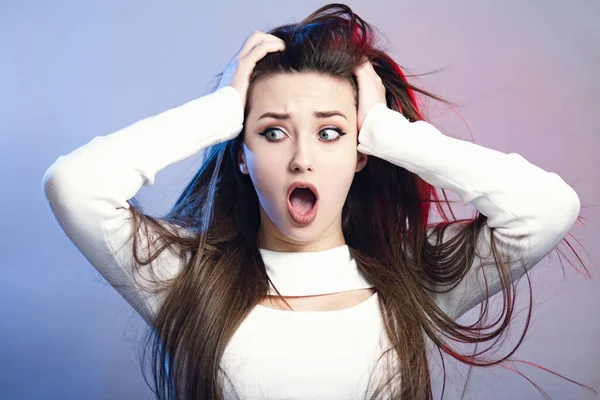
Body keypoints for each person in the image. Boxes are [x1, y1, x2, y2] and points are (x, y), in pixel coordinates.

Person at [42, 3, 592, 400]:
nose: (302, 158)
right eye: (273, 133)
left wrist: (389, 134)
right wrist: (219, 112)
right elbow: (75, 185)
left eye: (330, 133)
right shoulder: (186, 276)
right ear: (241, 154)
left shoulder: (412, 279)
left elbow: (545, 209)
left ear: (360, 152)